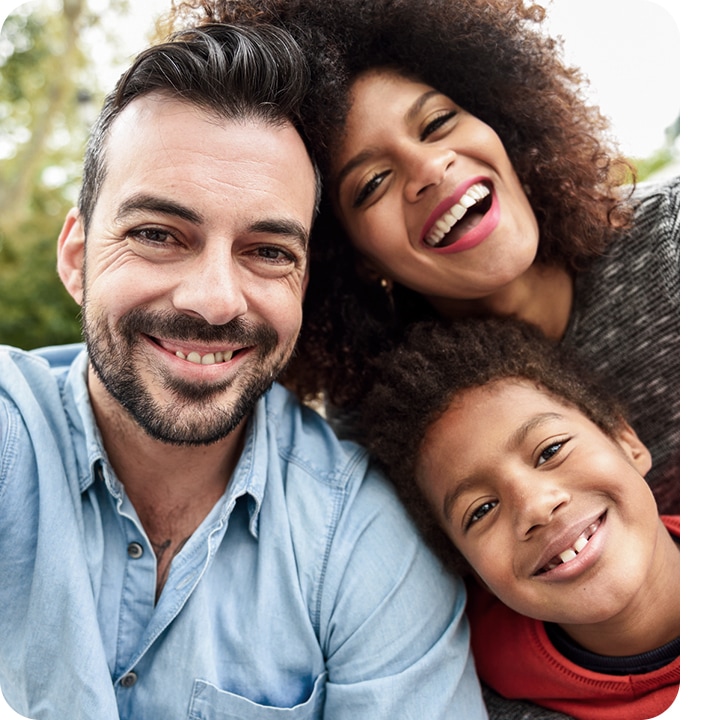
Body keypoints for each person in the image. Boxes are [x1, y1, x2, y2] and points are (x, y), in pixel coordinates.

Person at [0, 23, 485, 720]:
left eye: (267, 251)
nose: (215, 300)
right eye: (158, 235)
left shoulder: (364, 543)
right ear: (76, 256)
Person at [166, 0, 680, 520]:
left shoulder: (682, 242)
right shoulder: (385, 432)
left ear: (499, 118)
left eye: (437, 123)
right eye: (372, 184)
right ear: (353, 258)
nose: (429, 168)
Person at [358, 317, 680, 720]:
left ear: (626, 442)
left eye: (550, 451)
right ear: (471, 570)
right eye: (480, 511)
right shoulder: (473, 686)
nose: (535, 507)